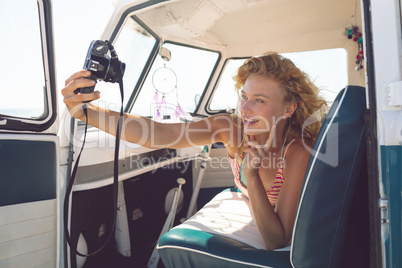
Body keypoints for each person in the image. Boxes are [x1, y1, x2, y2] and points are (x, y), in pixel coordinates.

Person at [62, 52, 327, 250]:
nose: (245, 109)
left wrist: (252, 176)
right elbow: (160, 134)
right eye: (244, 96)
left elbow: (276, 240)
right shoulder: (232, 129)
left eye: (259, 100)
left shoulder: (297, 153)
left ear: (288, 108)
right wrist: (85, 112)